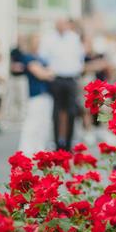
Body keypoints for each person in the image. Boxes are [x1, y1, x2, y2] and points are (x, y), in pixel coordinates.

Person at [41, 18, 84, 151]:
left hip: (71, 78)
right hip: (56, 78)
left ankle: (68, 143)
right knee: (56, 111)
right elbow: (43, 56)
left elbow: (80, 56)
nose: (61, 26)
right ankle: (57, 142)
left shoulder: (74, 38)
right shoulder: (49, 39)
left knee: (71, 111)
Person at [19, 34, 54, 156]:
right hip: (35, 94)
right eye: (35, 41)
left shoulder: (41, 57)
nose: (38, 44)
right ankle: (26, 149)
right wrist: (48, 73)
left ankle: (39, 148)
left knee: (44, 123)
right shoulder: (28, 57)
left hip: (47, 94)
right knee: (32, 122)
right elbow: (41, 74)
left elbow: (51, 71)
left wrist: (48, 72)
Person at [5, 35, 28, 123]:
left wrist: (19, 66)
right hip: (13, 77)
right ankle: (10, 117)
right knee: (11, 98)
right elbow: (12, 65)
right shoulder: (13, 51)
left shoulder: (25, 52)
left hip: (22, 78)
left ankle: (22, 116)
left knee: (22, 98)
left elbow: (25, 65)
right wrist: (16, 66)